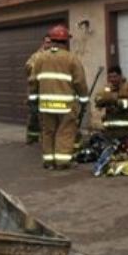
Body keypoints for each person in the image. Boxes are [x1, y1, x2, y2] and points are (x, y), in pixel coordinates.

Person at [27, 25, 89, 170]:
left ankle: (48, 161)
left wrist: (34, 99)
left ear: (52, 40)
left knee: (48, 132)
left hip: (46, 105)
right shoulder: (71, 59)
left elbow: (33, 81)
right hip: (66, 105)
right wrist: (84, 100)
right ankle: (62, 162)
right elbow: (79, 82)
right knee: (65, 132)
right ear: (66, 41)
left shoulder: (40, 58)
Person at [94, 65, 128, 144]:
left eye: (115, 76)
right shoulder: (107, 88)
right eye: (110, 77)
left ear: (120, 76)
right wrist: (102, 100)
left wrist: (114, 100)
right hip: (111, 132)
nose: (112, 79)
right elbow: (98, 98)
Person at [25, 35, 53, 145]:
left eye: (50, 42)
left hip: (49, 90)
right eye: (47, 42)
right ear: (43, 43)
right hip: (36, 91)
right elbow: (28, 67)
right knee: (33, 114)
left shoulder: (55, 56)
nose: (49, 44)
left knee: (46, 116)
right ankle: (31, 138)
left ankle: (45, 138)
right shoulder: (36, 56)